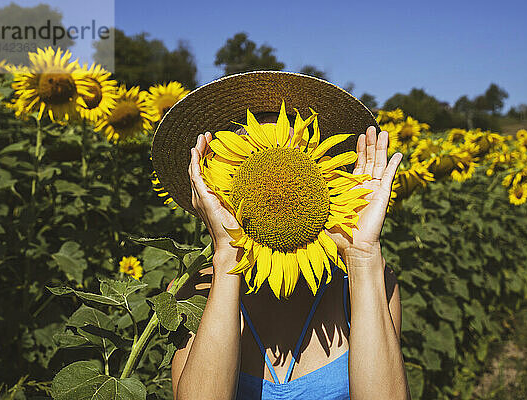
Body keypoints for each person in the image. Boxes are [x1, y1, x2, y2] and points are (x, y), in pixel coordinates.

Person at [152, 71, 411, 399]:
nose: (279, 180)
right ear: (216, 185)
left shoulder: (372, 283)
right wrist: (229, 253)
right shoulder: (197, 290)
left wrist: (362, 257)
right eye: (256, 153)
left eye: (295, 158)